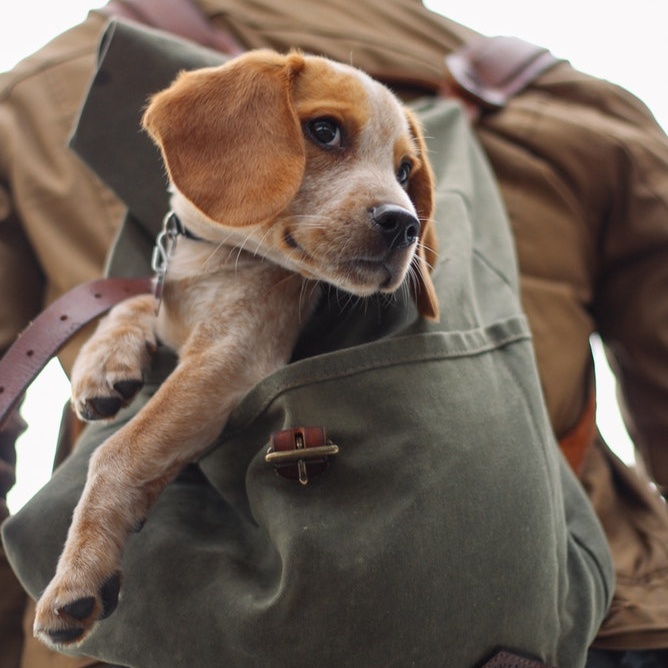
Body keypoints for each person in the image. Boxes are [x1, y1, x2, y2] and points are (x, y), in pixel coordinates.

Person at [0, 1, 666, 666]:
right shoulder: (581, 103)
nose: (402, 212)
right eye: (325, 131)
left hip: (157, 630)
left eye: (407, 178)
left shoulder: (41, 88)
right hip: (555, 622)